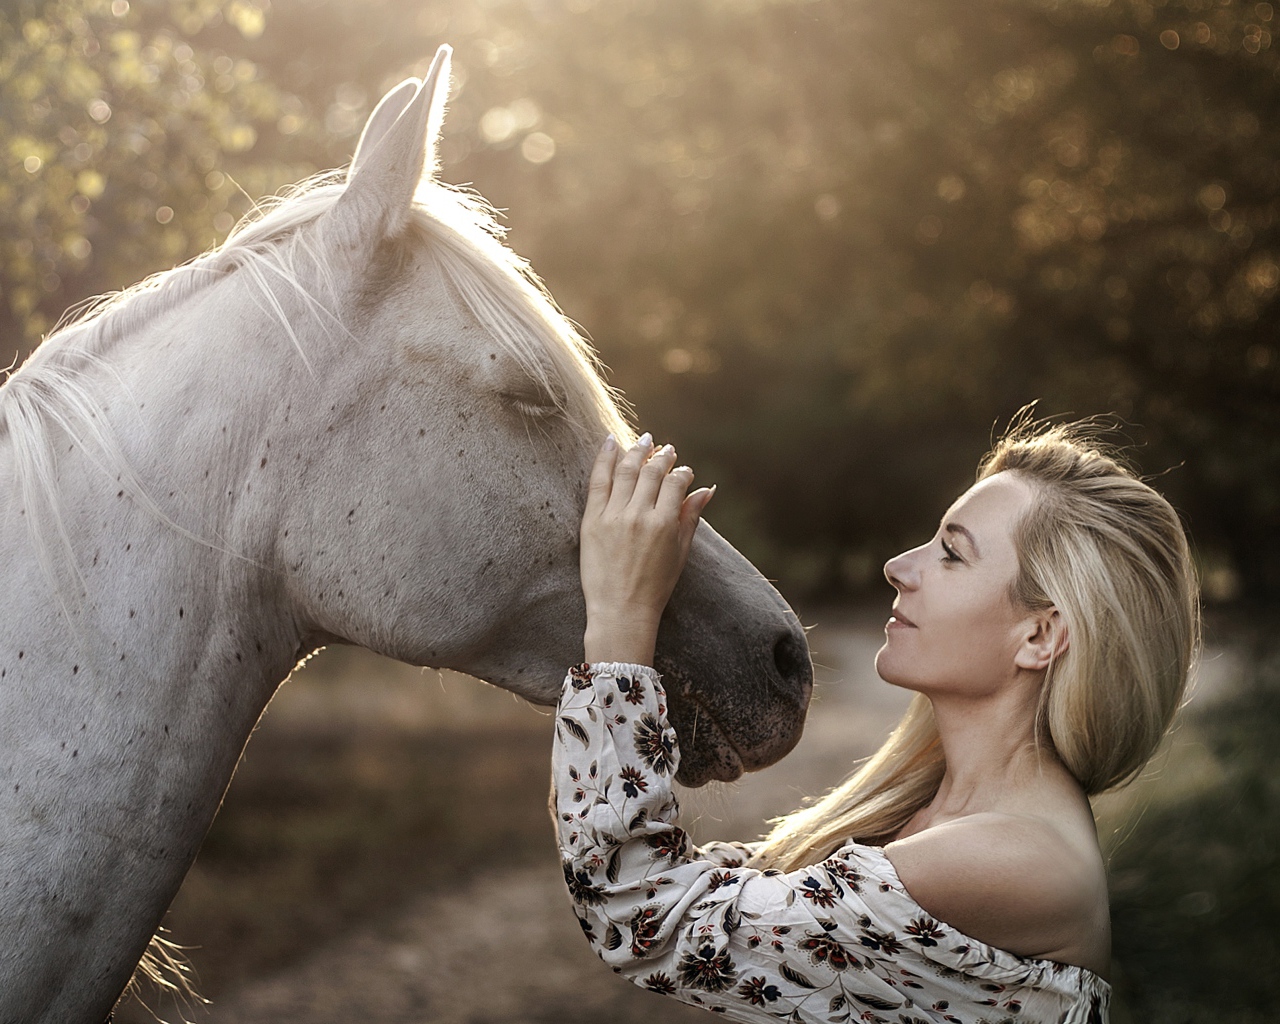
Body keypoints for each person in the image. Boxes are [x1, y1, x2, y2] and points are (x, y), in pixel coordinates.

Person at [552, 420, 1199, 1024]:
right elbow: (673, 883)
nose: (899, 566)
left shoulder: (1017, 861)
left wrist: (620, 614)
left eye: (951, 553)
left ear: (1040, 634)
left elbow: (645, 916)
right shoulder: (938, 820)